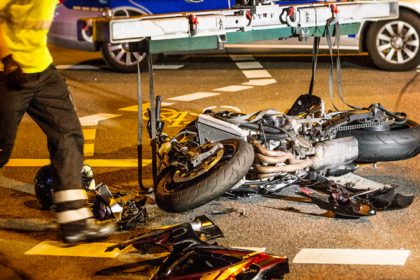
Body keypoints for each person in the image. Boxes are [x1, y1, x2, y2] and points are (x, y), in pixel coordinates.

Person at [0, 0, 117, 243]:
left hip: (41, 69)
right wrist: (7, 58)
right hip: (8, 71)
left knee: (68, 137)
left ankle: (74, 223)